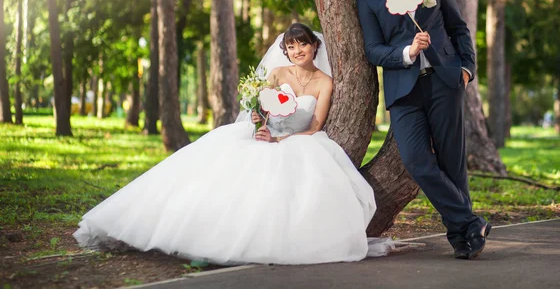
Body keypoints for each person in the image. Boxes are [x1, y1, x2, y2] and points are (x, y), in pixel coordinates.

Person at [74, 23, 379, 265]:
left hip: (300, 140)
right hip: (264, 136)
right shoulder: (276, 74)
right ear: (285, 51)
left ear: (315, 46)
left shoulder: (325, 82)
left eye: (303, 43)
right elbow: (258, 110)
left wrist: (282, 138)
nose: (298, 50)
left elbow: (315, 125)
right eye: (291, 45)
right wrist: (262, 128)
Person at [356, 0, 491, 260]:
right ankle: (471, 221)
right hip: (404, 92)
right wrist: (407, 52)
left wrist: (466, 69)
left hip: (445, 82)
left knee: (452, 162)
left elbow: (459, 28)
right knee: (417, 160)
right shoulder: (368, 0)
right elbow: (373, 51)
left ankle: (463, 238)